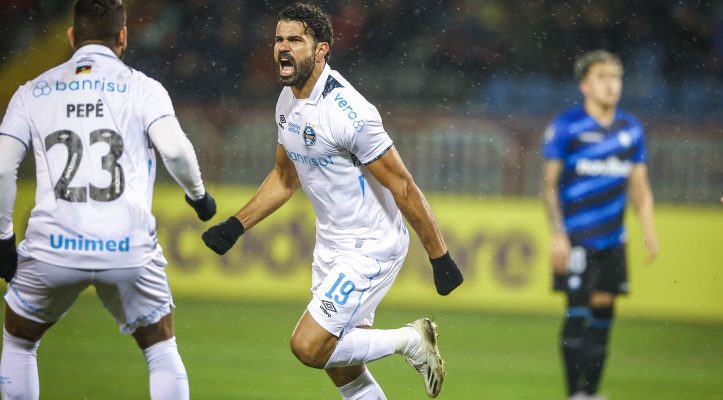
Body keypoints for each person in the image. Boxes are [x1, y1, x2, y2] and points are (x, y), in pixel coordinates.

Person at [201, 3, 463, 399]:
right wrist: (236, 225)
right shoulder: (286, 103)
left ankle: (410, 340)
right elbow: (285, 179)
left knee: (309, 346)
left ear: (321, 50)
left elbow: (403, 186)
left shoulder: (351, 113)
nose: (283, 48)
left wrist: (439, 257)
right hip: (331, 245)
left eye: (295, 40)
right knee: (341, 367)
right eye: (278, 39)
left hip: (371, 245)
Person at [0, 1, 217, 399]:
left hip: (54, 247)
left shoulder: (31, 92)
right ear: (123, 37)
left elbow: (1, 168)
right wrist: (199, 197)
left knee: (19, 340)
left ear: (71, 37)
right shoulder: (143, 88)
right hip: (127, 247)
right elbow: (177, 151)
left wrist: (2, 240)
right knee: (159, 346)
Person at [542, 50, 658, 400]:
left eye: (617, 77)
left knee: (604, 315)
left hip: (613, 240)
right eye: (603, 77)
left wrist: (649, 229)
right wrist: (558, 235)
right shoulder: (567, 126)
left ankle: (590, 394)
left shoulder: (630, 129)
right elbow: (549, 186)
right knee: (577, 313)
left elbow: (641, 187)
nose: (611, 84)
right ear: (585, 85)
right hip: (576, 239)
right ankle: (573, 393)